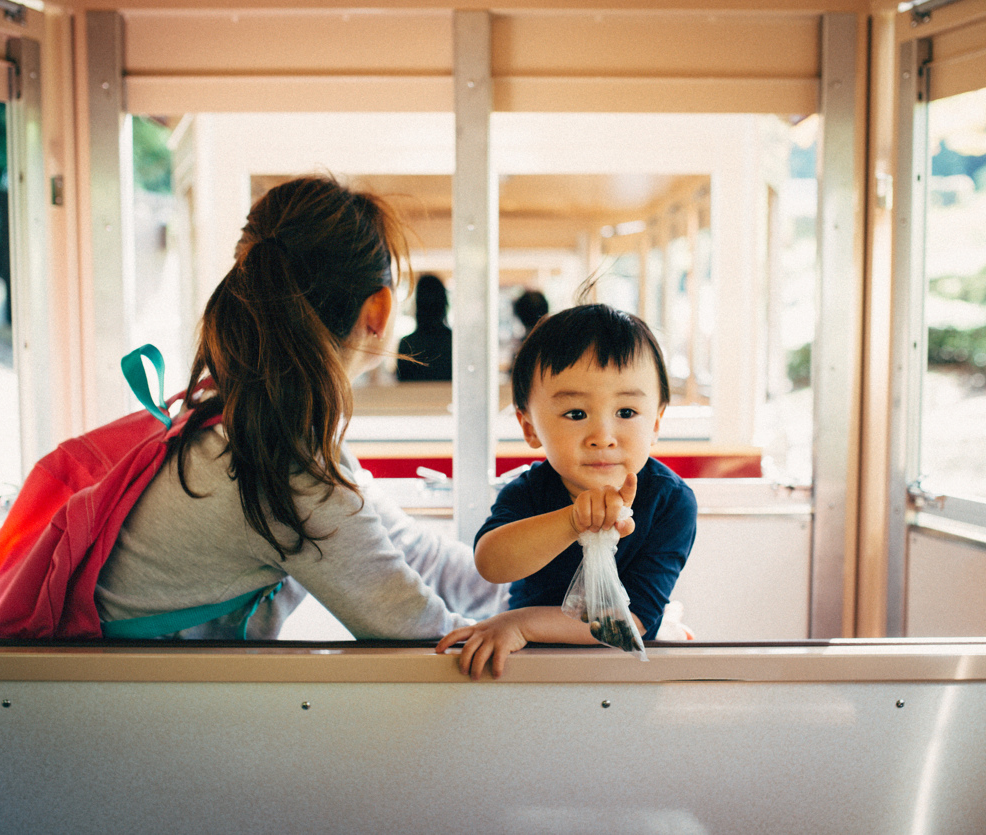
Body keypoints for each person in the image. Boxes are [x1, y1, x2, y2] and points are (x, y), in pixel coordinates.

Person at [95, 175, 506, 639]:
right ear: (379, 310)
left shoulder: (236, 422)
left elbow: (418, 556)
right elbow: (422, 632)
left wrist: (558, 585)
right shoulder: (283, 467)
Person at [436, 304, 697, 678]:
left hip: (626, 671)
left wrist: (522, 623)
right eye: (576, 414)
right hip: (529, 664)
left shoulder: (671, 502)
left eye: (626, 412)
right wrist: (572, 521)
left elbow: (633, 620)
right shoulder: (527, 491)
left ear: (655, 422)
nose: (602, 437)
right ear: (529, 428)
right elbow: (491, 564)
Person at [395, 273, 452, 381]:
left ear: (418, 304)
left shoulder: (407, 344)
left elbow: (401, 386)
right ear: (443, 303)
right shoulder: (454, 342)